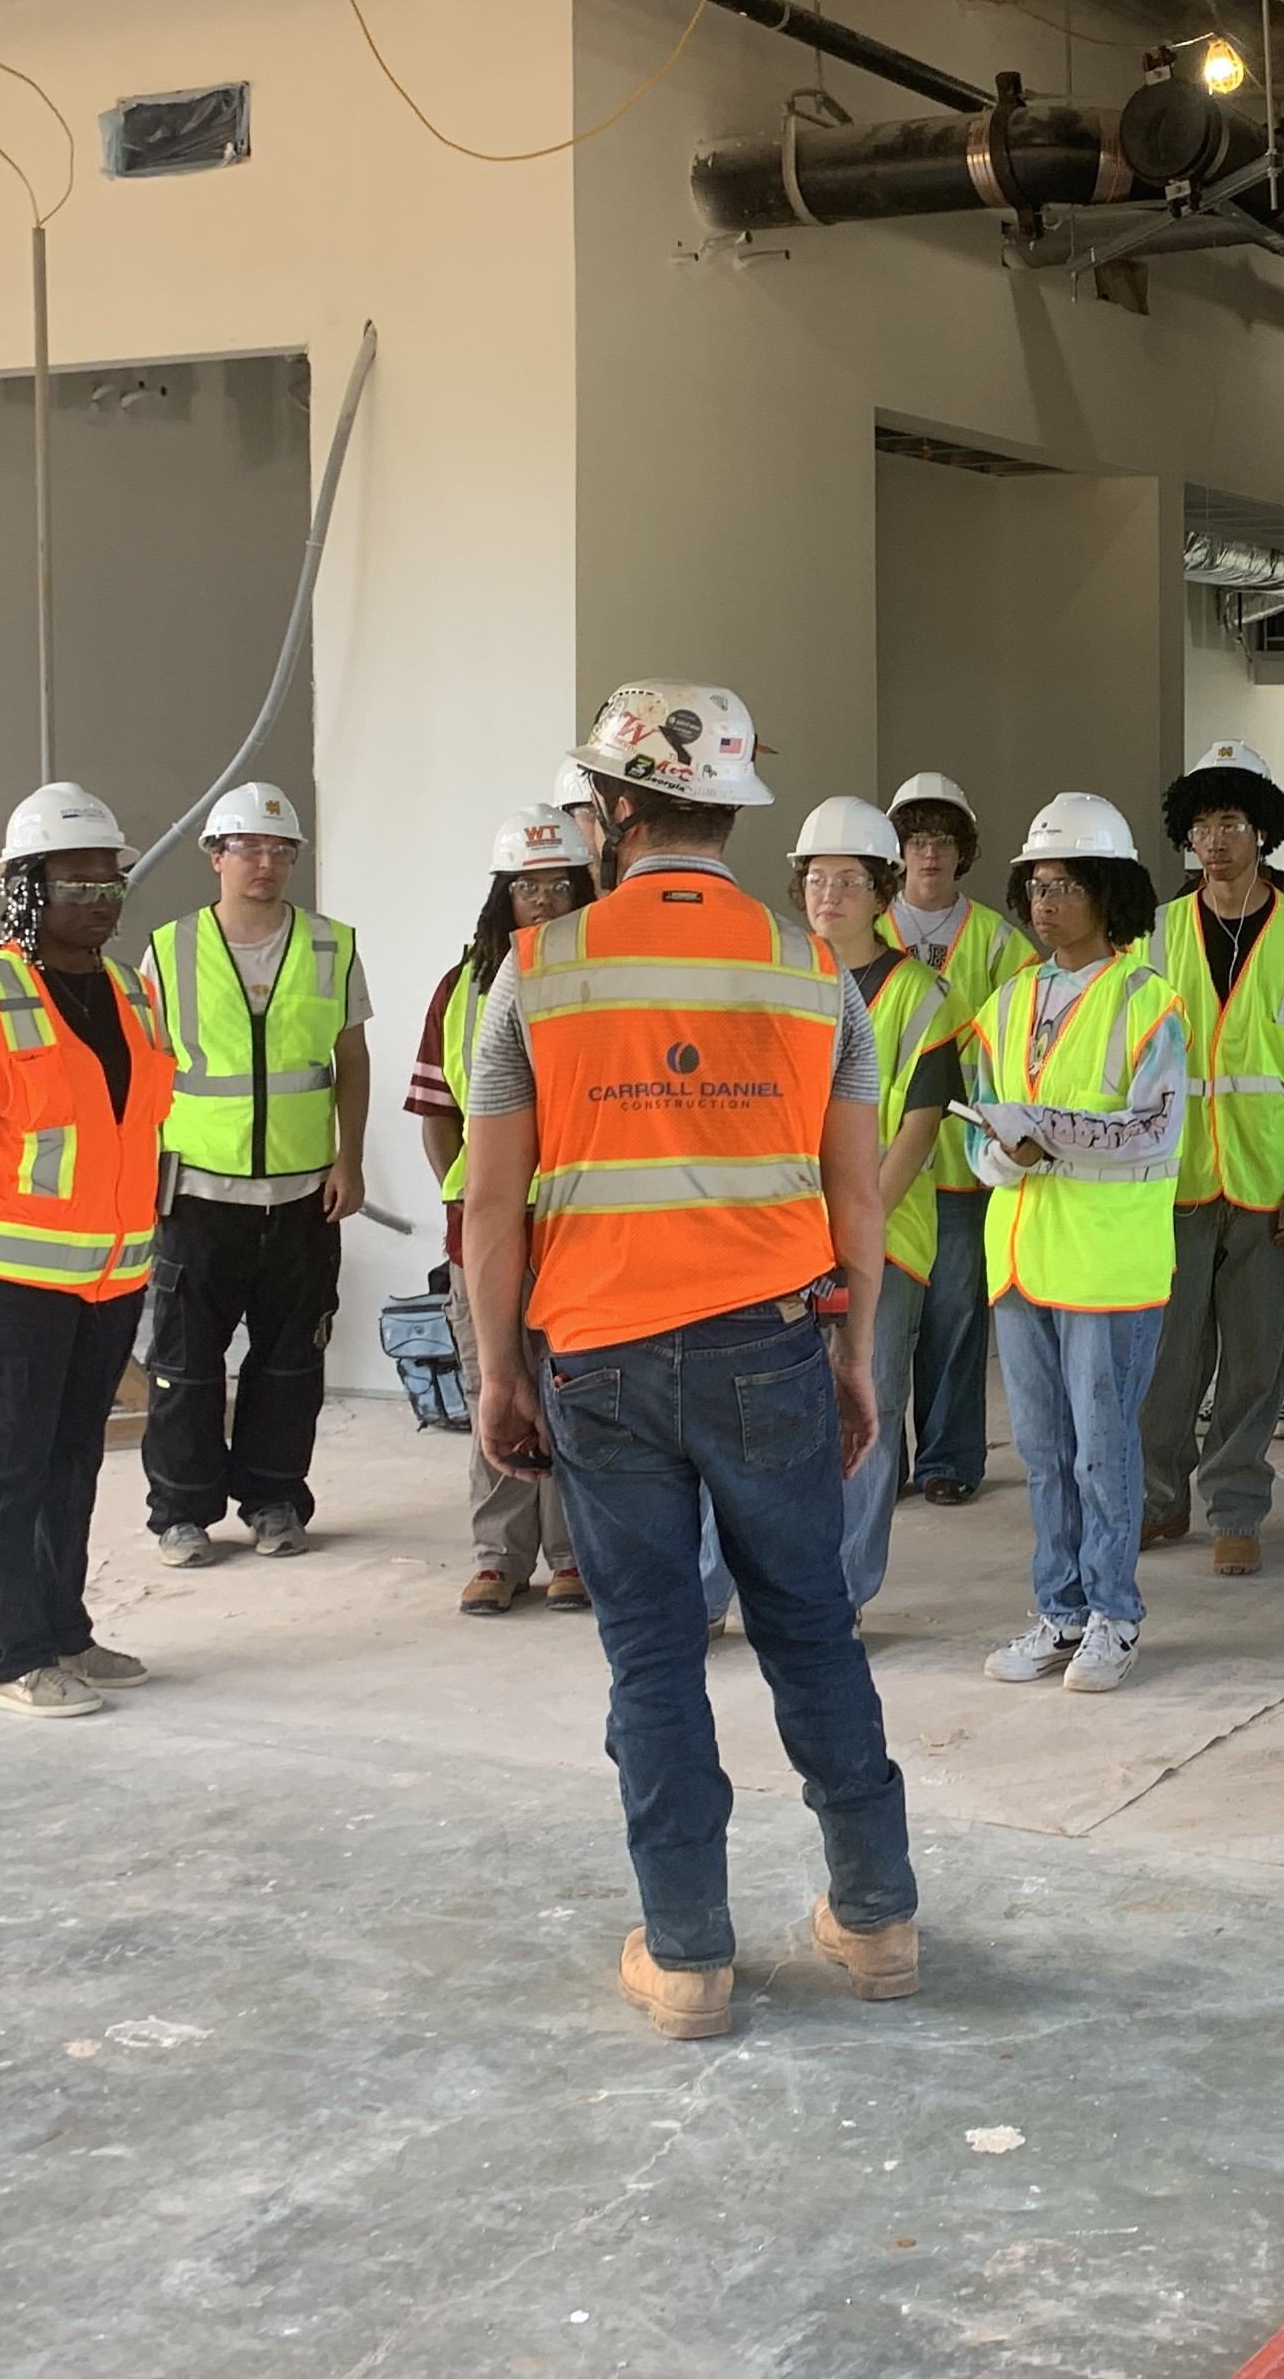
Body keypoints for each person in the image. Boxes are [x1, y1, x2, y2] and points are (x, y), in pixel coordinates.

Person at [464, 680, 914, 2039]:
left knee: (653, 1658)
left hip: (597, 1357)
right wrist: (854, 1358)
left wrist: (498, 1370)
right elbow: (858, 1200)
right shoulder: (811, 970)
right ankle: (878, 1921)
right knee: (810, 1630)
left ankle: (691, 1956)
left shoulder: (535, 974)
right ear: (728, 810)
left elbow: (492, 1206)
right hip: (772, 1345)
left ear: (612, 813)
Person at [0, 786, 176, 1719]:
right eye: (76, 881)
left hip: (109, 1273)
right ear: (27, 891)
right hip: (11, 1276)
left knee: (73, 1459)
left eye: (110, 880)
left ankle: (64, 1631)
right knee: (11, 1463)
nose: (99, 897)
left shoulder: (131, 992)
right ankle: (9, 1656)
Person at [958, 795, 1186, 1695]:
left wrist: (1046, 1132)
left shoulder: (1147, 1001)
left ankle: (1113, 1616)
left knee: (1102, 1450)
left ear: (1109, 894)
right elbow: (975, 1124)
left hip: (1106, 1263)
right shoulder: (1007, 1001)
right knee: (1045, 1454)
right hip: (1021, 1254)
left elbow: (1156, 1132)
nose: (1046, 902)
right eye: (1037, 885)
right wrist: (999, 1156)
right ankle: (1058, 1610)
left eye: (1067, 885)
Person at [1140, 742, 1284, 1577]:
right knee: (1166, 1356)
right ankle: (1159, 1501)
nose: (1216, 839)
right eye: (1201, 825)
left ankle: (1237, 1506)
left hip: (1270, 1177)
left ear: (1262, 830)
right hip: (1177, 1178)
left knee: (1257, 1356)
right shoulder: (1156, 934)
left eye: (1230, 821)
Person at [138, 780, 370, 1566]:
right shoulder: (168, 950)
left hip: (303, 1193)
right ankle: (180, 1512)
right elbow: (143, 1070)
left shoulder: (332, 944)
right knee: (184, 1365)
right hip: (200, 1191)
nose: (265, 863)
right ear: (216, 857)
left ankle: (273, 1501)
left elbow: (351, 1057)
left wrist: (352, 1157)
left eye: (281, 850)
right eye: (248, 848)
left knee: (291, 1359)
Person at [411, 805, 599, 1616]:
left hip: (579, 1219)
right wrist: (474, 1193)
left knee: (571, 1387)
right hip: (483, 1225)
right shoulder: (463, 989)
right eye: (528, 888)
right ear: (503, 896)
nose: (545, 902)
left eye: (561, 885)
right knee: (495, 1379)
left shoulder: (608, 983)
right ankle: (498, 1558)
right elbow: (437, 1113)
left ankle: (572, 1556)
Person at [789, 794, 965, 1618]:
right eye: (817, 879)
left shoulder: (921, 995)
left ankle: (844, 1594)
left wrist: (847, 1232)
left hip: (884, 1239)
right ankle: (734, 1586)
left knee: (869, 1408)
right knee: (764, 1418)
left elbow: (920, 1126)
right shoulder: (780, 982)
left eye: (849, 881)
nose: (830, 896)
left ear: (883, 889)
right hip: (780, 1239)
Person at [880, 771, 1035, 1507]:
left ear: (962, 850)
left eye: (941, 840)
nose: (929, 854)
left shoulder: (1001, 944)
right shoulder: (862, 931)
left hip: (963, 1166)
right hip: (880, 1166)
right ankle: (876, 1462)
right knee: (880, 1326)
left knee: (957, 1315)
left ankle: (947, 1458)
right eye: (915, 840)